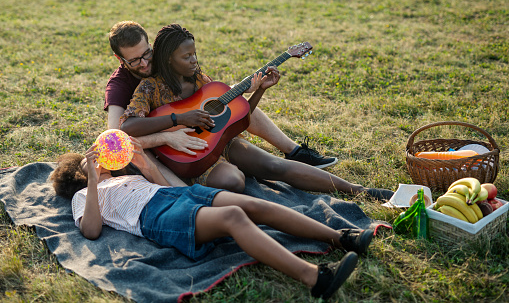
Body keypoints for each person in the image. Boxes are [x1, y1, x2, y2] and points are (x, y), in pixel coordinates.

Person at [51, 139, 375, 300]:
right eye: (88, 163)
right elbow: (91, 231)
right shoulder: (85, 195)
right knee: (234, 216)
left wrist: (145, 165)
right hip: (157, 216)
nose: (97, 161)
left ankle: (341, 237)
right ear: (78, 176)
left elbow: (166, 189)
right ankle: (315, 278)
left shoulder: (126, 177)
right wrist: (93, 180)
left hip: (177, 198)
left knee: (254, 204)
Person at [119, 24, 393, 200]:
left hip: (220, 142)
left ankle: (360, 191)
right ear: (169, 59)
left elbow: (236, 116)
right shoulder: (149, 88)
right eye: (187, 57)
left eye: (194, 54)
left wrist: (259, 90)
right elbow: (127, 128)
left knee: (275, 166)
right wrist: (179, 119)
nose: (194, 60)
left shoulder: (201, 79)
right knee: (234, 180)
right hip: (190, 155)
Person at [105, 21, 337, 169]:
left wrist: (244, 89)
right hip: (165, 148)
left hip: (201, 127)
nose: (145, 62)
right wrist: (168, 137)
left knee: (232, 103)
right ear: (120, 60)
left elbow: (204, 95)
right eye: (135, 60)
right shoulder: (119, 85)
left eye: (147, 53)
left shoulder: (166, 59)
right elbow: (115, 138)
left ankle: (294, 151)